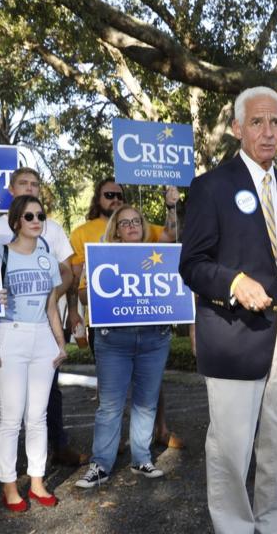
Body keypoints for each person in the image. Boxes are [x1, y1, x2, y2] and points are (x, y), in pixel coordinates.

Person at [179, 86, 277, 533]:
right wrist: (234, 282)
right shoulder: (211, 186)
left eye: (276, 123)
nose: (268, 132)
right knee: (231, 451)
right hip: (233, 338)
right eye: (257, 122)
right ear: (237, 128)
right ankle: (233, 527)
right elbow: (192, 264)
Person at [69, 178, 183, 450]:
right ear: (98, 198)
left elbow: (171, 236)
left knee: (152, 382)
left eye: (119, 194)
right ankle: (115, 440)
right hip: (107, 323)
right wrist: (75, 312)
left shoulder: (138, 224)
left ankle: (160, 430)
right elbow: (76, 283)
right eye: (109, 194)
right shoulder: (82, 232)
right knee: (111, 389)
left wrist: (170, 207)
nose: (115, 199)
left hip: (148, 320)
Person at [0, 167, 82, 467]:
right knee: (5, 405)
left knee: (43, 402)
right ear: (11, 189)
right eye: (23, 183)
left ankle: (52, 454)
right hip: (4, 325)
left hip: (43, 325)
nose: (35, 221)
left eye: (35, 184)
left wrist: (51, 298)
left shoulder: (51, 230)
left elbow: (67, 271)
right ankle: (4, 466)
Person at [74, 205, 173, 489]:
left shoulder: (158, 255)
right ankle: (100, 465)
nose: (131, 226)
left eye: (136, 221)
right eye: (125, 222)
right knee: (109, 406)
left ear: (143, 227)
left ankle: (141, 458)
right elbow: (82, 293)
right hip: (113, 340)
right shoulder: (101, 254)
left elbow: (173, 234)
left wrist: (172, 205)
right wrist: (95, 285)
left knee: (146, 402)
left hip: (154, 339)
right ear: (116, 229)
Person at [0, 195, 67, 511]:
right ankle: (9, 485)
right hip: (10, 336)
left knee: (38, 417)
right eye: (29, 216)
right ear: (16, 221)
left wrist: (60, 343)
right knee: (11, 418)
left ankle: (38, 482)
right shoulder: (0, 255)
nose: (36, 220)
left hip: (43, 337)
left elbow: (51, 305)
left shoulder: (46, 255)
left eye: (40, 215)